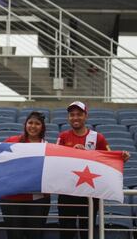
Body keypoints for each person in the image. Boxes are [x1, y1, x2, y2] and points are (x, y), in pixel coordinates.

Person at [57, 101, 130, 239]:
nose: (75, 117)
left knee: (88, 232)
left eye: (79, 114)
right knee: (66, 232)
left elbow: (108, 159)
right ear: (68, 117)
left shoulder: (98, 138)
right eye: (72, 115)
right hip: (67, 192)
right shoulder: (63, 137)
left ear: (86, 116)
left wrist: (121, 159)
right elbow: (57, 162)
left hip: (90, 192)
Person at [0, 111, 50, 239]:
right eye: (30, 122)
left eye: (37, 123)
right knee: (14, 236)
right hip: (11, 199)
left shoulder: (47, 147)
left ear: (42, 127)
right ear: (25, 124)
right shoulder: (12, 141)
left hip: (38, 200)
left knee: (35, 235)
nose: (33, 126)